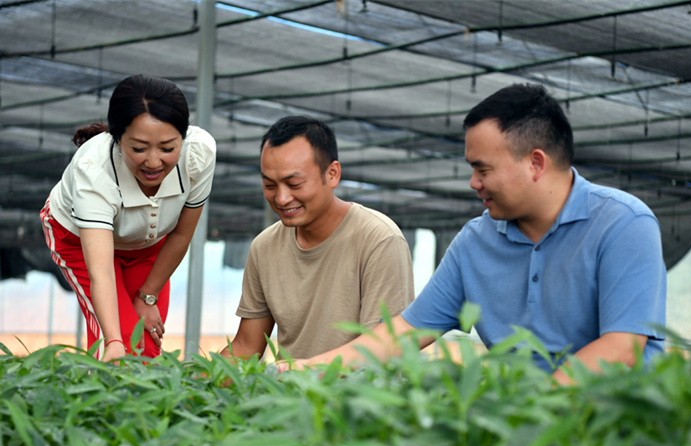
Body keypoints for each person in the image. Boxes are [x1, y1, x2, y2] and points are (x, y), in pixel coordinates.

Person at [288, 84, 667, 384]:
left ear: (535, 163)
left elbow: (622, 347)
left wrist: (530, 411)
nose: (473, 182)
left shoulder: (622, 224)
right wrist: (305, 369)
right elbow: (402, 333)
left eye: (483, 170)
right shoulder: (475, 243)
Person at [40, 75, 216, 362]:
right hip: (79, 242)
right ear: (117, 138)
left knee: (145, 345)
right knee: (121, 345)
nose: (154, 162)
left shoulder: (199, 154)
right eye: (139, 148)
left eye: (168, 148)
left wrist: (148, 296)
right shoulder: (94, 170)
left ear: (183, 138)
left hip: (147, 245)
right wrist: (112, 340)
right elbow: (101, 271)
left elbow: (182, 234)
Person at [221, 116, 415, 360]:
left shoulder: (379, 240)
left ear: (332, 174)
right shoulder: (264, 246)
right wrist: (199, 378)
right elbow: (247, 345)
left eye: (295, 183)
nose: (281, 198)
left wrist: (307, 370)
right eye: (270, 185)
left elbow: (380, 351)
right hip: (289, 383)